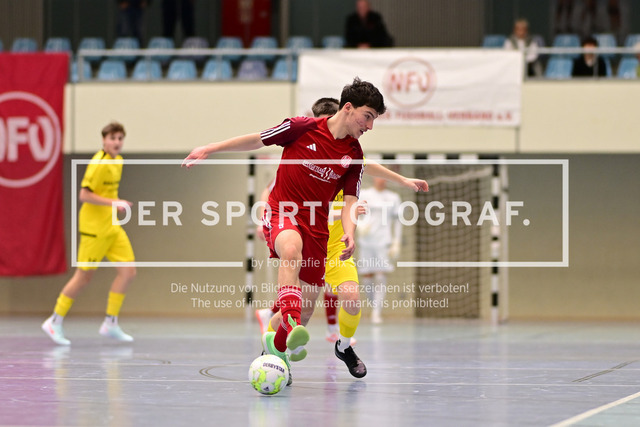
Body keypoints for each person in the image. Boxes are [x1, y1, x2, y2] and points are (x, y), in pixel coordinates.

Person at [183, 78, 386, 383]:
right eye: (367, 116)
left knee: (306, 312)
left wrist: (349, 231)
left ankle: (275, 350)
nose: (369, 126)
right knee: (290, 249)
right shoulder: (301, 128)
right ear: (348, 108)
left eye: (374, 120)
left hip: (318, 230)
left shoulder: (354, 154)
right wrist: (211, 148)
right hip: (283, 212)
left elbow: (350, 200)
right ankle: (288, 322)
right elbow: (256, 140)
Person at [256, 97, 428, 379]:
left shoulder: (346, 161)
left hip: (336, 247)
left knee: (350, 297)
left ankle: (343, 346)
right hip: (308, 240)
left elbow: (366, 167)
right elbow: (288, 199)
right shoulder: (305, 159)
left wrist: (403, 181)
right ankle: (274, 350)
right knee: (301, 310)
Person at [42, 122, 136, 346]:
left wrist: (116, 204)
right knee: (83, 277)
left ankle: (110, 323)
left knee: (129, 272)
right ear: (104, 140)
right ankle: (54, 321)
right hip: (94, 230)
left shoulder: (118, 161)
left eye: (120, 138)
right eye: (113, 138)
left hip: (112, 227)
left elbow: (108, 193)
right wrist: (114, 202)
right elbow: (84, 195)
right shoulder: (98, 164)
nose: (117, 142)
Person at [357, 177, 402, 324]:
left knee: (380, 275)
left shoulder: (393, 197)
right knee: (367, 276)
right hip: (366, 241)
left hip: (383, 241)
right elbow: (352, 213)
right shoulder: (364, 194)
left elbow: (398, 221)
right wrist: (359, 226)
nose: (381, 180)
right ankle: (374, 306)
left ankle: (376, 312)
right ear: (374, 178)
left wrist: (396, 241)